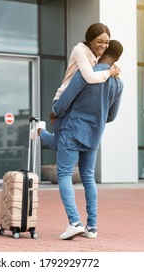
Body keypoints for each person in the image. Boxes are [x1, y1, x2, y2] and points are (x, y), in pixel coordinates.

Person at [52, 40, 124, 240]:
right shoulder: (118, 83)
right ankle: (92, 227)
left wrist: (55, 111)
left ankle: (74, 222)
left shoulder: (87, 74)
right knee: (89, 178)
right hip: (93, 135)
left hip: (73, 129)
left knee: (65, 174)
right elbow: (111, 116)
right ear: (117, 59)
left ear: (103, 51)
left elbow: (65, 99)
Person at [31, 23, 120, 149]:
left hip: (74, 102)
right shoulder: (80, 50)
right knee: (58, 145)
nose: (104, 46)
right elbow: (89, 77)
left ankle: (40, 131)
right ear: (90, 40)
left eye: (107, 43)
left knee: (59, 144)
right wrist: (110, 72)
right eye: (99, 41)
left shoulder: (96, 55)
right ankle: (40, 131)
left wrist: (113, 67)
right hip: (63, 99)